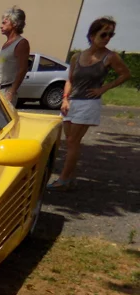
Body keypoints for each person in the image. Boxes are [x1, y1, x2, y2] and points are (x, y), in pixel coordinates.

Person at [49, 17, 131, 190]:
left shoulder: (111, 57)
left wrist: (104, 88)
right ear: (92, 35)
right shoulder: (77, 57)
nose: (107, 38)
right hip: (71, 103)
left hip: (88, 103)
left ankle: (63, 179)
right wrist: (64, 98)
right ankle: (70, 178)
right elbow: (69, 79)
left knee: (73, 141)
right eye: (104, 34)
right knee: (70, 141)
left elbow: (125, 74)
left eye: (110, 34)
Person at [0, 7, 30, 106]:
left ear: (15, 24)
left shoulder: (21, 43)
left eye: (4, 23)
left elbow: (23, 69)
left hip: (6, 90)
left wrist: (11, 91)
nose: (1, 26)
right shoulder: (5, 44)